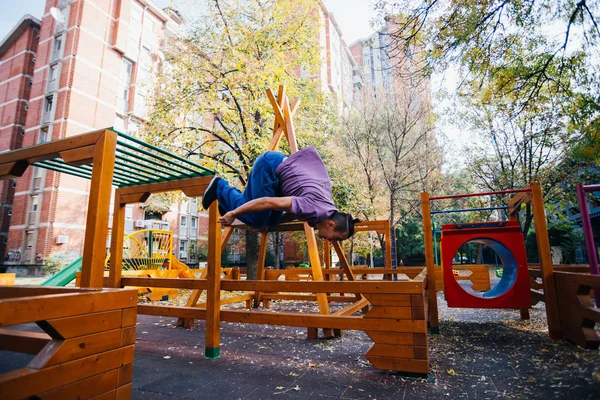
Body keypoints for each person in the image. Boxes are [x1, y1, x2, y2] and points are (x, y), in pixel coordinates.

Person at [202, 146, 359, 241]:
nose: (330, 241)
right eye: (336, 238)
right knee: (257, 219)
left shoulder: (323, 211)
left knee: (267, 221)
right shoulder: (314, 208)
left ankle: (227, 202)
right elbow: (266, 202)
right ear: (330, 224)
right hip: (269, 167)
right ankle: (220, 187)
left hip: (278, 174)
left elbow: (292, 214)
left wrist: (269, 225)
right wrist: (234, 213)